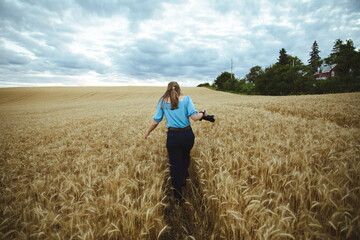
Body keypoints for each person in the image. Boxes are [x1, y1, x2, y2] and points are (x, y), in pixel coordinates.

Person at [144, 81, 209, 202]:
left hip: (173, 136)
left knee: (174, 164)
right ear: (179, 89)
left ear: (167, 89)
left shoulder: (162, 101)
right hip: (187, 134)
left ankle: (178, 195)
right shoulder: (187, 99)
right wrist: (203, 113)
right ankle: (184, 177)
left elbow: (156, 121)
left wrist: (147, 132)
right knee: (185, 156)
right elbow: (195, 117)